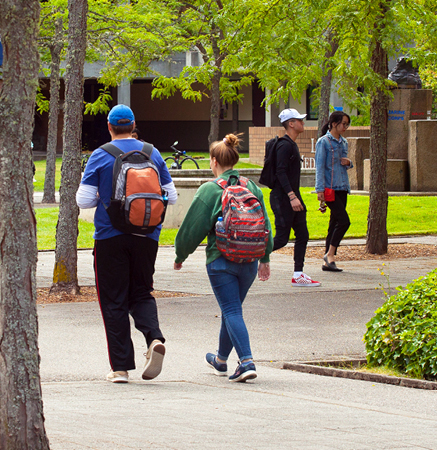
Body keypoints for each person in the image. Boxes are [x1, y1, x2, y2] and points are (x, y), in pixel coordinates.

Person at [77, 104, 178, 383]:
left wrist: (106, 201)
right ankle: (154, 338)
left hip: (110, 237)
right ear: (134, 125)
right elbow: (171, 195)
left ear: (109, 127)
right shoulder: (152, 153)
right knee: (142, 292)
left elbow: (83, 200)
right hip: (147, 236)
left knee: (113, 300)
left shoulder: (100, 155)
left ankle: (120, 368)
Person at [174, 134, 271, 382]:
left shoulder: (209, 190)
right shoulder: (252, 188)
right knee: (232, 309)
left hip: (221, 261)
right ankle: (220, 360)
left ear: (214, 161)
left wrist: (180, 255)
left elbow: (191, 228)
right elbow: (265, 225)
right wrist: (265, 257)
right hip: (249, 260)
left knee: (231, 310)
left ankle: (246, 362)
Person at [270, 108, 319, 287]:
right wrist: (292, 196)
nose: (302, 123)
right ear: (291, 124)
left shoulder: (292, 144)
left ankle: (298, 274)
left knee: (302, 234)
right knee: (282, 239)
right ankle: (250, 255)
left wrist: (295, 196)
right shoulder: (284, 145)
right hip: (283, 198)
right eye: (299, 120)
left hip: (292, 197)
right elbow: (280, 172)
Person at [315, 111, 353, 273]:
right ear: (334, 123)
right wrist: (319, 190)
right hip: (329, 189)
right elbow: (320, 167)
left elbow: (344, 164)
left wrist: (349, 163)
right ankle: (330, 254)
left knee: (334, 223)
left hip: (342, 187)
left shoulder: (343, 142)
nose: (345, 127)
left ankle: (328, 262)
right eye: (343, 123)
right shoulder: (323, 142)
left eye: (347, 124)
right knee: (344, 221)